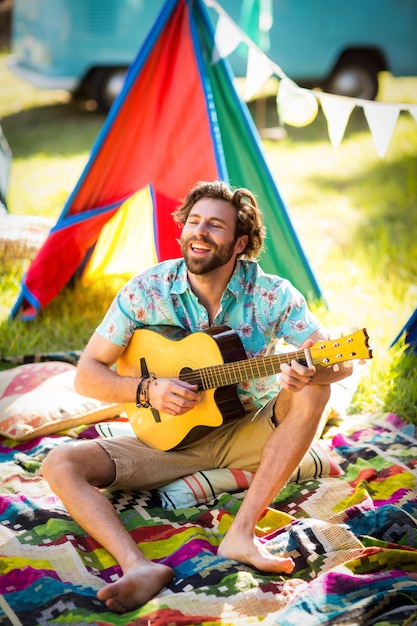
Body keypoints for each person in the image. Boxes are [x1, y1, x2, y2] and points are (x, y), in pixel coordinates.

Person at [42, 180, 353, 614]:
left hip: (248, 432)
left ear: (240, 242)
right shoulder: (146, 290)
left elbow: (341, 364)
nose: (200, 231)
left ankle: (242, 533)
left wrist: (311, 370)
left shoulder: (272, 295)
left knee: (316, 389)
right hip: (166, 442)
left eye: (216, 226)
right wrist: (146, 389)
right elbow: (87, 374)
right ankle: (137, 567)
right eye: (193, 221)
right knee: (60, 462)